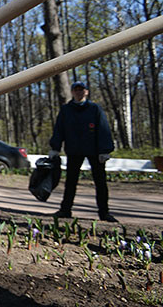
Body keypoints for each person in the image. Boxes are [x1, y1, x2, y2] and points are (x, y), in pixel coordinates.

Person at [49, 81, 117, 222]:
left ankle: (104, 213)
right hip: (74, 150)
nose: (79, 92)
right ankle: (65, 210)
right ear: (72, 92)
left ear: (86, 92)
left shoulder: (95, 109)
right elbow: (59, 129)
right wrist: (55, 148)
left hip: (95, 151)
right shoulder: (66, 110)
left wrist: (105, 150)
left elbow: (103, 129)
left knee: (100, 183)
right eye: (76, 90)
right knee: (70, 182)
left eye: (81, 90)